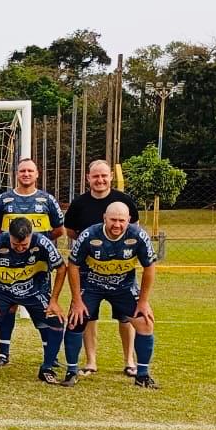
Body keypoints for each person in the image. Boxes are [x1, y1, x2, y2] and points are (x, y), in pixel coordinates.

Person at [65, 201, 159, 389]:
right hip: (92, 285)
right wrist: (76, 300)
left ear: (129, 220)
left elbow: (149, 268)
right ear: (104, 219)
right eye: (113, 220)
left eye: (121, 220)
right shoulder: (89, 235)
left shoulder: (138, 236)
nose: (117, 225)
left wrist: (143, 302)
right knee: (76, 320)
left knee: (145, 323)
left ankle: (142, 374)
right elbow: (73, 265)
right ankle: (71, 371)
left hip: (123, 287)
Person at [64, 159, 142, 375]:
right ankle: (91, 361)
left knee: (126, 318)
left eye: (104, 176)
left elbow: (133, 231)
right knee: (88, 316)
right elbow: (71, 231)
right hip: (88, 271)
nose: (100, 180)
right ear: (88, 178)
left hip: (121, 272)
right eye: (95, 176)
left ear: (110, 177)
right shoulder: (79, 203)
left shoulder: (123, 201)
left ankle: (129, 361)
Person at [0, 216, 68, 384]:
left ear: (31, 236)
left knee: (57, 322)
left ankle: (47, 368)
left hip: (35, 291)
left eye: (24, 245)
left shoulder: (43, 243)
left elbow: (62, 268)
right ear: (9, 236)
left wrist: (54, 300)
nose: (20, 248)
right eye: (15, 245)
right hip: (4, 291)